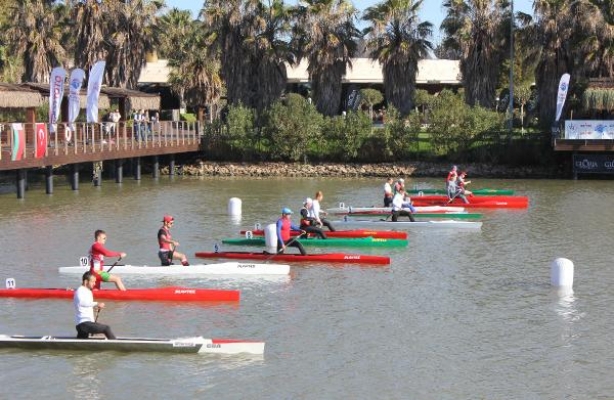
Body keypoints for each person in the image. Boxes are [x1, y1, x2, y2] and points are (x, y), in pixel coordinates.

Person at [74, 271, 116, 339]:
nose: (94, 284)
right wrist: (96, 304)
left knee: (82, 344)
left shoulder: (88, 291)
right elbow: (82, 303)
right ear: (85, 282)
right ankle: (115, 345)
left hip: (86, 324)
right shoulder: (80, 291)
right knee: (106, 328)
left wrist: (94, 308)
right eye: (92, 282)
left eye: (95, 282)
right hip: (84, 324)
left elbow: (85, 306)